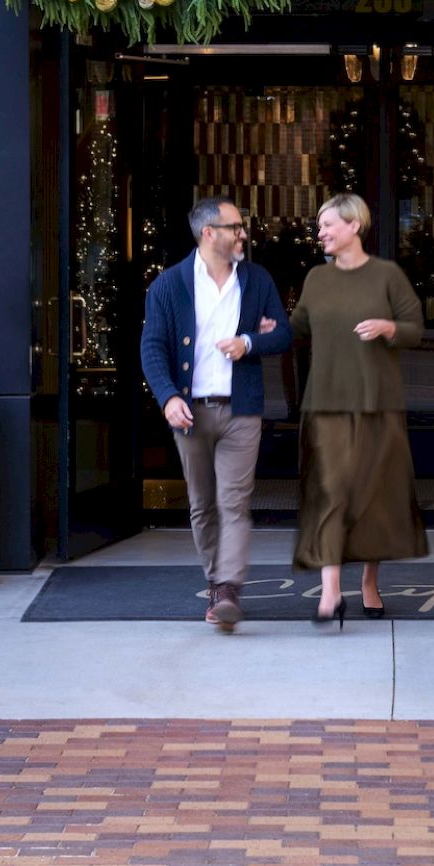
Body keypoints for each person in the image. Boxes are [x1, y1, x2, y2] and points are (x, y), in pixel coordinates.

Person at [139, 196, 292, 632]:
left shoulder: (257, 280)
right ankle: (214, 580)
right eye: (234, 227)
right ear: (209, 233)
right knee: (202, 504)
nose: (242, 233)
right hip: (190, 413)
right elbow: (152, 348)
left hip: (241, 410)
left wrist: (249, 342)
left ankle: (228, 589)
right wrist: (168, 397)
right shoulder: (169, 286)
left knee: (234, 502)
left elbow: (282, 332)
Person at [289, 193, 429, 627]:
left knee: (375, 499)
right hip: (325, 403)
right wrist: (268, 328)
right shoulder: (316, 279)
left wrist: (389, 327)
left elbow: (415, 329)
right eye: (319, 227)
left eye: (327, 225)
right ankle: (330, 592)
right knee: (330, 493)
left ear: (354, 226)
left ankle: (369, 582)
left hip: (377, 405)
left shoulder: (387, 276)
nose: (321, 233)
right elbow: (297, 328)